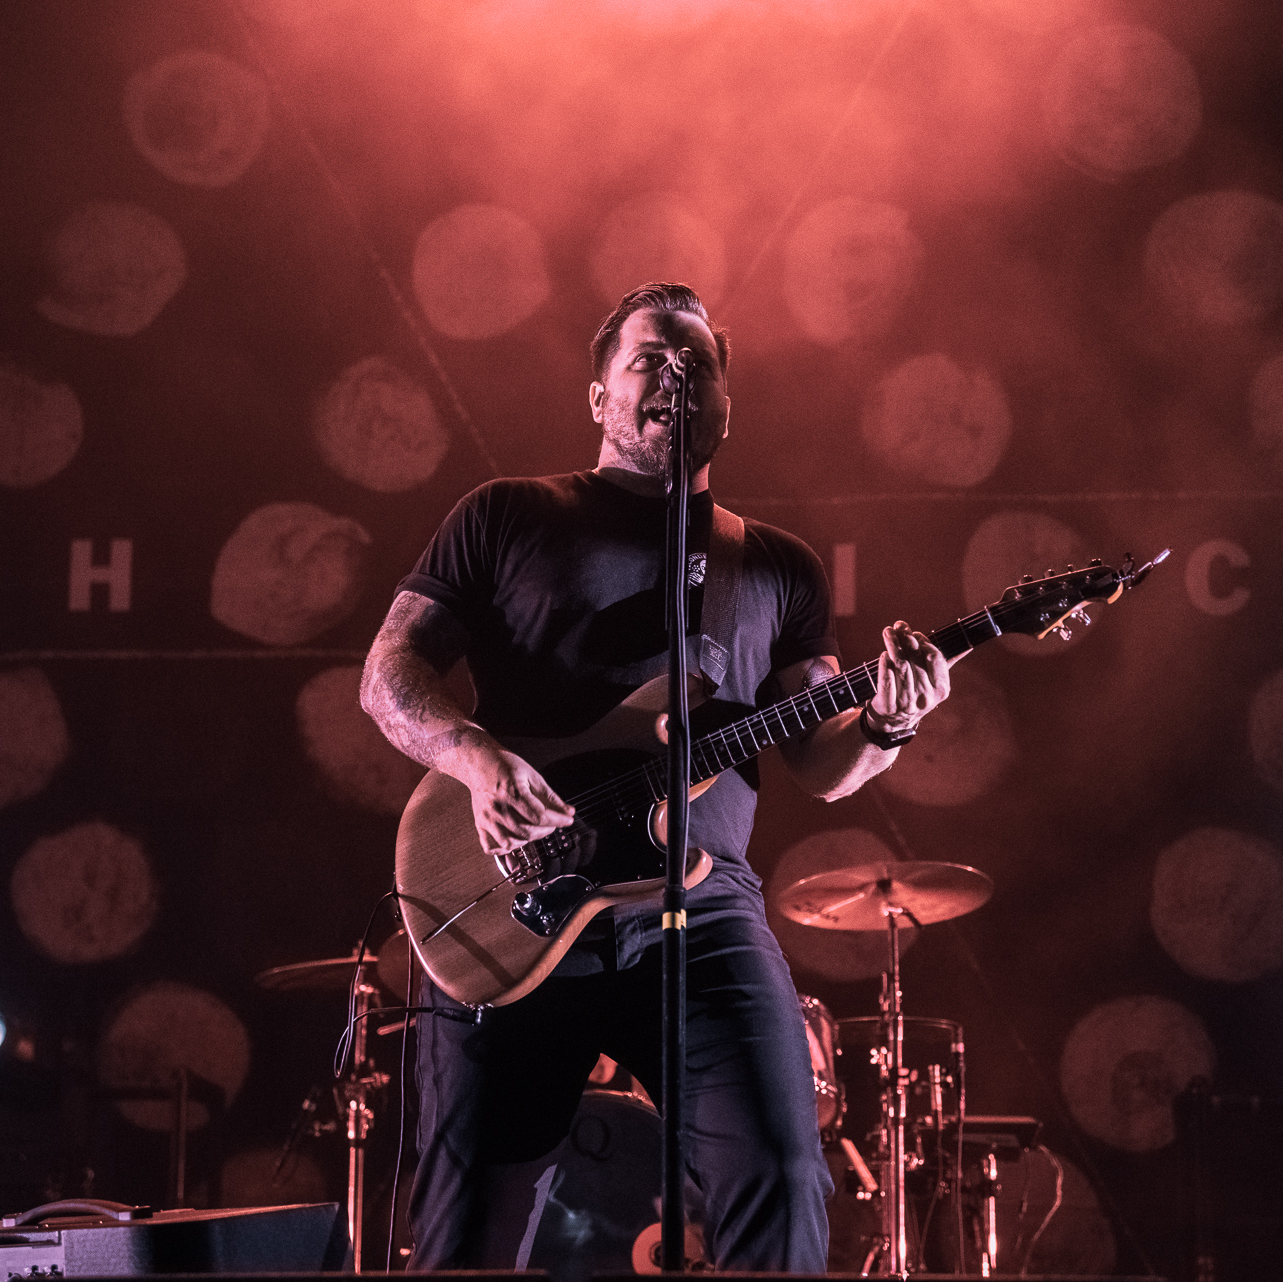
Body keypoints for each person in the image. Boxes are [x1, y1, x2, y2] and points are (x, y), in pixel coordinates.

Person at [360, 282, 951, 1272]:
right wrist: (475, 758)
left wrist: (889, 723)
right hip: (517, 898)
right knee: (466, 1231)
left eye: (698, 365)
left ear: (726, 405)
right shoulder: (507, 514)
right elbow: (389, 673)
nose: (677, 377)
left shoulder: (775, 565)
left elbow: (825, 761)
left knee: (782, 1176)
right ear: (600, 397)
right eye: (650, 360)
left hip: (702, 910)